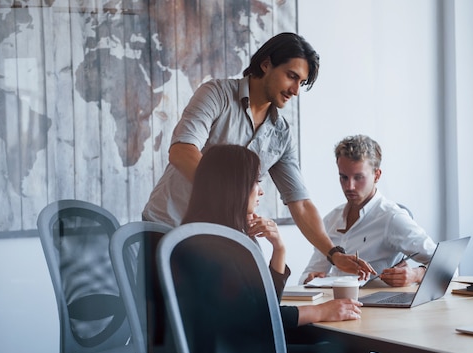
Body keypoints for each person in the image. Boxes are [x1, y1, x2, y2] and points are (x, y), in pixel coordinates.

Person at [143, 32, 371, 279]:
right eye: (291, 76)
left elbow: (301, 204)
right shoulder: (216, 94)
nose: (295, 90)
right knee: (169, 317)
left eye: (301, 82)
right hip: (168, 228)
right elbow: (182, 151)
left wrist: (334, 254)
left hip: (216, 241)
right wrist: (234, 195)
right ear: (266, 64)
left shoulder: (281, 134)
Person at [183, 144, 396, 353]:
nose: (260, 191)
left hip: (237, 352)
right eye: (255, 182)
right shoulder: (214, 246)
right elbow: (255, 318)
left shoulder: (213, 236)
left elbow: (263, 306)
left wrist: (279, 249)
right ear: (234, 186)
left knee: (351, 350)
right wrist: (320, 311)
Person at [299, 135, 437, 287]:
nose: (349, 186)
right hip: (335, 306)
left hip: (378, 308)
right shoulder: (330, 220)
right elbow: (308, 275)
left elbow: (447, 267)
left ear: (376, 175)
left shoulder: (392, 218)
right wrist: (310, 279)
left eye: (358, 177)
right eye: (343, 177)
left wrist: (416, 274)